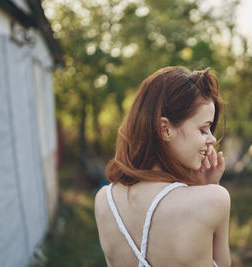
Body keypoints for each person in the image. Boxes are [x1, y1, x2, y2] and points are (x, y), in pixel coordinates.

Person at [94, 66, 231, 267]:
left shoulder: (104, 201)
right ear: (165, 129)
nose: (212, 138)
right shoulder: (213, 200)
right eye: (203, 129)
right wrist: (208, 188)